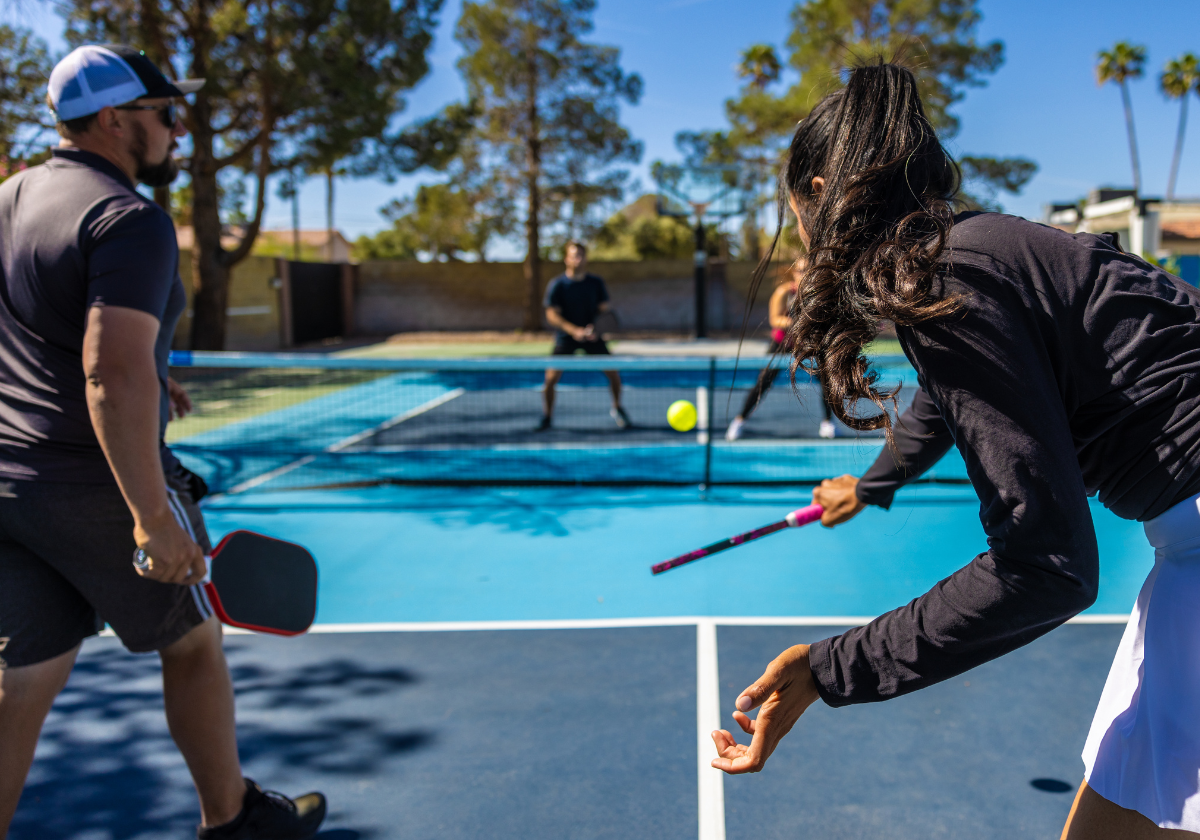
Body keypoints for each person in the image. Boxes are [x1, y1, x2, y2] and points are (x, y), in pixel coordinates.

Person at [709, 62, 1200, 840]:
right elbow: (944, 403)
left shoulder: (952, 274)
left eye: (793, 208)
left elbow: (1047, 567)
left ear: (822, 190)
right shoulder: (978, 250)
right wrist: (872, 486)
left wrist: (830, 669)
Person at [0, 45, 325, 840]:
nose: (179, 130)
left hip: (12, 483)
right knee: (193, 641)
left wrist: (153, 373)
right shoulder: (129, 218)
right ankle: (233, 820)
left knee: (24, 679)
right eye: (165, 114)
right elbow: (107, 371)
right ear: (115, 120)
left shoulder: (8, 200)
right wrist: (151, 515)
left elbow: (49, 333)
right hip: (97, 487)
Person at [724, 258, 836, 441]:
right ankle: (739, 421)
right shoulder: (784, 292)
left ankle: (828, 423)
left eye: (808, 269)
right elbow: (775, 319)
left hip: (808, 344)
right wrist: (799, 323)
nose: (804, 273)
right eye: (800, 270)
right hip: (782, 344)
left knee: (826, 381)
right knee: (763, 382)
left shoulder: (818, 294)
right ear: (794, 273)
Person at [539, 241, 631, 431]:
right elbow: (551, 315)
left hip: (593, 338)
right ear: (567, 259)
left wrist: (595, 330)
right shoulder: (557, 285)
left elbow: (605, 311)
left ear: (586, 258)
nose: (578, 259)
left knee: (614, 374)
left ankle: (617, 408)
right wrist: (574, 331)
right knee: (549, 380)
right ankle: (547, 417)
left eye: (581, 255)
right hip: (566, 338)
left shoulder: (595, 283)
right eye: (574, 255)